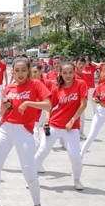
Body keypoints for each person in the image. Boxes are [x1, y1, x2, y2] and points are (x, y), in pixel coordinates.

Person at [0, 56, 51, 206]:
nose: (20, 74)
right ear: (12, 71)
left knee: (28, 171)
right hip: (5, 129)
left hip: (24, 131)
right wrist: (4, 109)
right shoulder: (9, 88)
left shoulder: (36, 85)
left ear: (28, 71)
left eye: (23, 70)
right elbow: (1, 113)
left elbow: (48, 105)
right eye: (17, 70)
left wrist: (28, 103)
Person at [34, 62, 88, 190]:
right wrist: (47, 121)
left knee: (75, 156)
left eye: (70, 72)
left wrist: (73, 120)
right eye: (65, 73)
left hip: (72, 127)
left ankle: (77, 180)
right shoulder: (56, 88)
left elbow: (83, 104)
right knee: (42, 151)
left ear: (74, 72)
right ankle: (31, 177)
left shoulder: (81, 84)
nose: (68, 75)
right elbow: (49, 107)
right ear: (60, 74)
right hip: (55, 124)